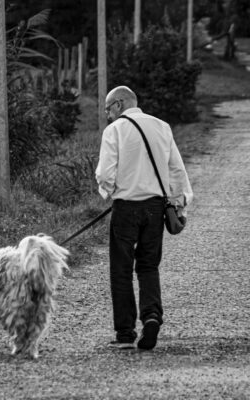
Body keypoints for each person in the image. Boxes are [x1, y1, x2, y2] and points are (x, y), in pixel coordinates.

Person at [95, 86, 193, 350]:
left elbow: (105, 174)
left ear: (119, 104)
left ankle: (125, 334)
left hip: (126, 208)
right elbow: (176, 169)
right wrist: (180, 203)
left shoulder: (114, 131)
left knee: (121, 270)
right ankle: (151, 316)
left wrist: (110, 192)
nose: (107, 115)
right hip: (154, 208)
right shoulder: (162, 126)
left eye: (108, 108)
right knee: (148, 266)